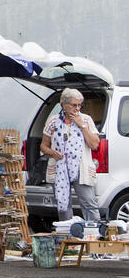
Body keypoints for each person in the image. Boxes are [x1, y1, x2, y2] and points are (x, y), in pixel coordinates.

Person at [41, 88, 100, 222]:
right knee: (63, 206)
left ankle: (94, 230)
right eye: (74, 105)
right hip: (60, 168)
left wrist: (81, 125)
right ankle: (66, 231)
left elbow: (94, 144)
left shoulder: (86, 120)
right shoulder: (53, 121)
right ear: (63, 105)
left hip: (81, 168)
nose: (77, 108)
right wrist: (52, 153)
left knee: (89, 203)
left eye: (79, 105)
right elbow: (43, 146)